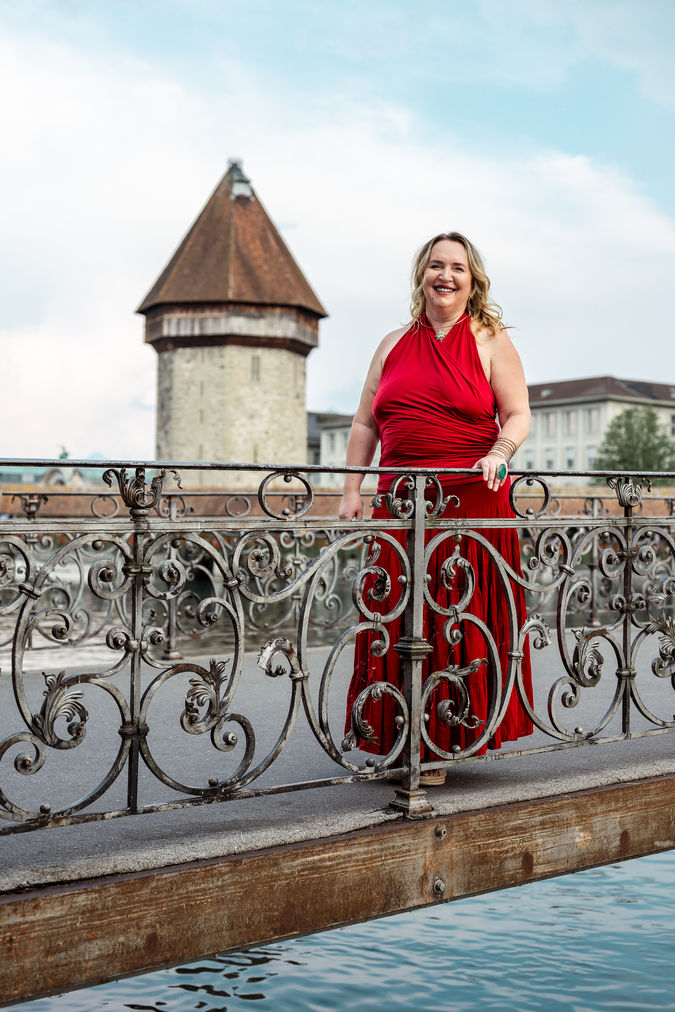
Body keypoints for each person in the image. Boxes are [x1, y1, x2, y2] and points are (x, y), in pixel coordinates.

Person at [339, 232, 533, 785]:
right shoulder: (392, 343)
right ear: (421, 273)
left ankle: (443, 740)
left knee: (452, 616)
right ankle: (400, 731)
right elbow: (364, 423)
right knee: (396, 613)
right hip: (400, 501)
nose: (445, 276)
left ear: (473, 283)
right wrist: (353, 491)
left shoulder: (490, 339)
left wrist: (499, 453)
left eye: (458, 268)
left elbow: (518, 414)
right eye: (436, 265)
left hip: (470, 495)